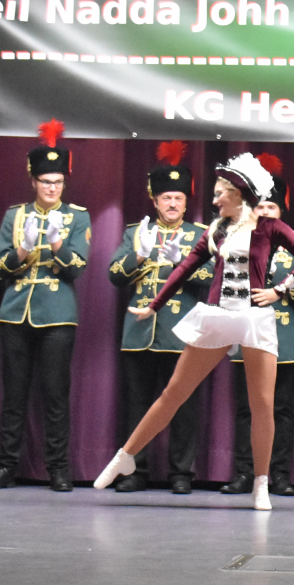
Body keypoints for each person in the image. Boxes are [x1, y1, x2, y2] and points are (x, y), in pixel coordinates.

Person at [96, 153, 294, 511]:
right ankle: (125, 456)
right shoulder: (216, 230)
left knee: (262, 404)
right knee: (173, 392)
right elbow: (185, 267)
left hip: (254, 318)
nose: (214, 200)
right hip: (217, 315)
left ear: (238, 194)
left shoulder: (270, 227)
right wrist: (155, 305)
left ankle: (261, 482)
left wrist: (280, 290)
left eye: (220, 194)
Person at [0, 120, 91, 492]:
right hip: (16, 312)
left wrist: (58, 245)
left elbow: (77, 268)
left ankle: (58, 468)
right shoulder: (15, 215)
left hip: (58, 315)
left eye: (58, 182)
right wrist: (23, 249)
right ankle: (5, 467)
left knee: (55, 395)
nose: (52, 188)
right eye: (46, 181)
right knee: (13, 396)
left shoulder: (77, 216)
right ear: (33, 181)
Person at [108, 140, 211, 493]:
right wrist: (138, 256)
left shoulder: (201, 235)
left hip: (181, 332)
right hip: (140, 330)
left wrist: (180, 264)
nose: (172, 204)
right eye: (166, 198)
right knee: (137, 406)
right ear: (155, 200)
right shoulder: (135, 232)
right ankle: (135, 471)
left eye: (178, 198)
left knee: (182, 405)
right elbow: (114, 275)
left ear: (186, 201)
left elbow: (212, 278)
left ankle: (181, 473)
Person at [222, 154, 294, 496]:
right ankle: (245, 473)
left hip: (284, 336)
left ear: (281, 212)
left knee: (281, 410)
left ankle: (279, 475)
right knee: (247, 409)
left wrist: (282, 287)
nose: (266, 213)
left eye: (273, 208)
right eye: (261, 207)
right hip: (248, 332)